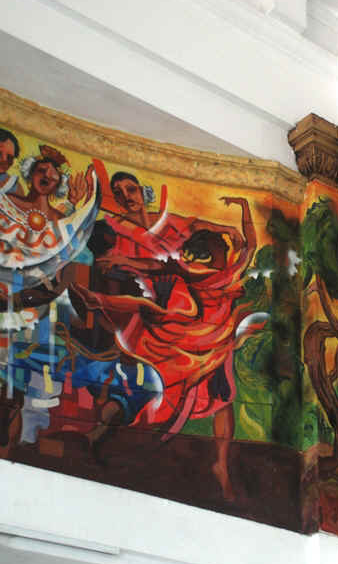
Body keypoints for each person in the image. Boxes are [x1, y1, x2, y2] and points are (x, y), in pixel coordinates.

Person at [69, 170, 257, 499]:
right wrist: (122, 263)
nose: (126, 196)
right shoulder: (117, 230)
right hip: (172, 323)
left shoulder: (175, 231)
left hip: (205, 333)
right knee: (143, 385)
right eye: (119, 192)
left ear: (142, 191)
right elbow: (154, 269)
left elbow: (194, 236)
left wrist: (231, 221)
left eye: (131, 189)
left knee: (222, 396)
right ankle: (106, 434)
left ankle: (221, 464)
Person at [0, 143, 97, 446]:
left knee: (16, 363)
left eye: (53, 174)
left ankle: (0, 425)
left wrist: (18, 301)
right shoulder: (4, 202)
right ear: (30, 174)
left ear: (59, 184)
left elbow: (67, 270)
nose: (46, 176)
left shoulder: (61, 221)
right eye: (41, 170)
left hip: (28, 301)